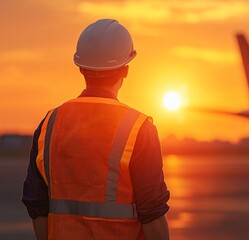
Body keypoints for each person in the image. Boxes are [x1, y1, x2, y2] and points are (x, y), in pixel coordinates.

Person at [22, 19, 170, 240]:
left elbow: (37, 205)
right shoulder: (139, 128)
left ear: (81, 68)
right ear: (126, 70)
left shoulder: (50, 122)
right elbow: (152, 213)